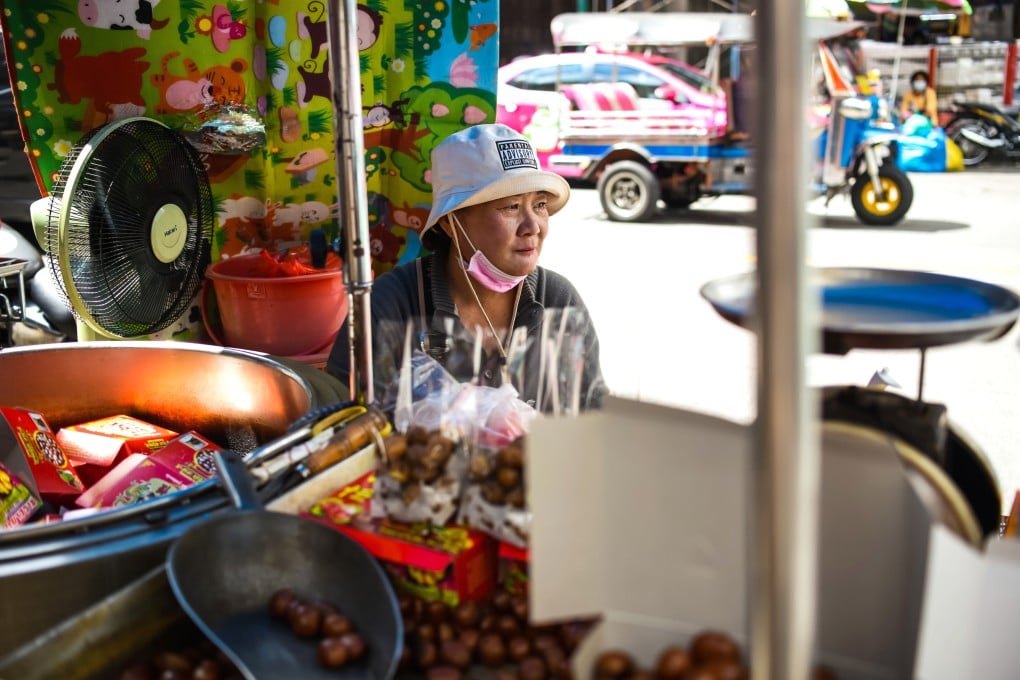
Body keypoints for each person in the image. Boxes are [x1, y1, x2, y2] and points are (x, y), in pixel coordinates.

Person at [326, 123, 606, 411]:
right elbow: (339, 424)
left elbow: (592, 419)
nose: (532, 227)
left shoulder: (558, 301)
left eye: (540, 205)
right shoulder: (391, 307)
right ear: (450, 222)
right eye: (510, 206)